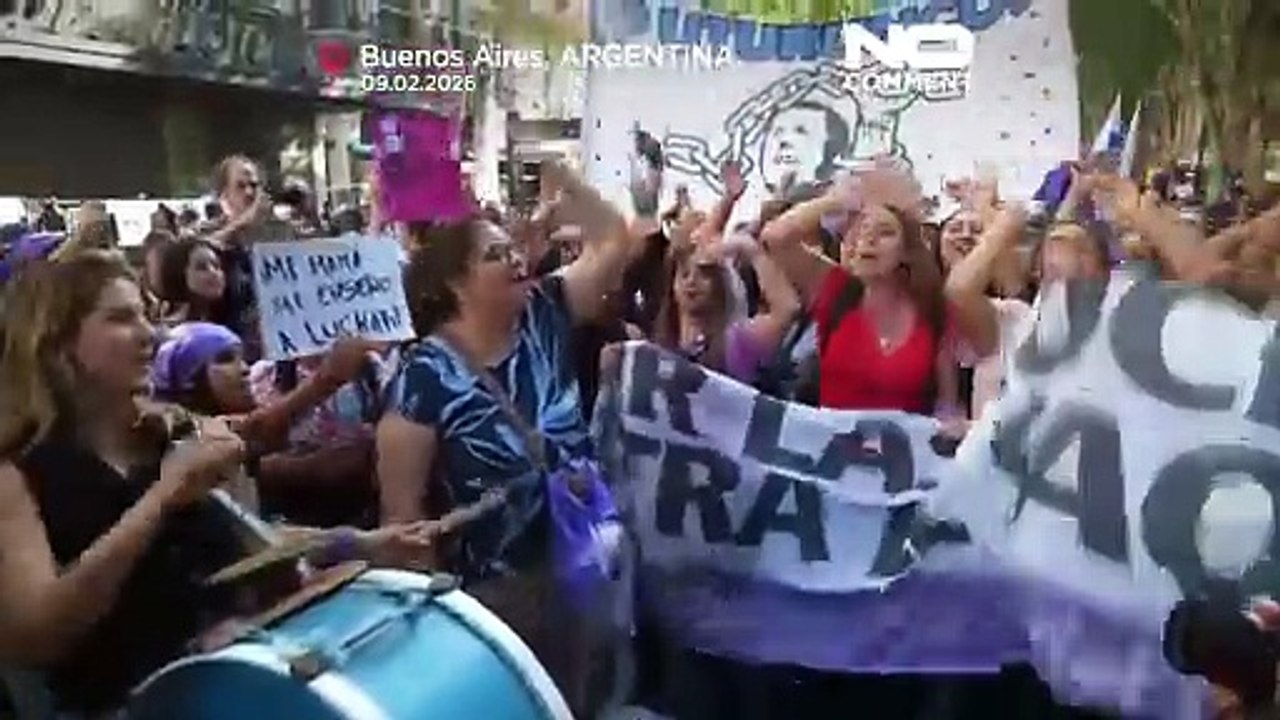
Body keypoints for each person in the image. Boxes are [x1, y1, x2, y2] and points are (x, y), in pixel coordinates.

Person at [0, 253, 433, 717]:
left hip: (234, 688)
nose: (150, 334)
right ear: (57, 343)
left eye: (146, 314)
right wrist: (163, 497)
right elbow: (35, 637)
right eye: (121, 319)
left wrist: (360, 543)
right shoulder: (16, 473)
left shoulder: (170, 430)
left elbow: (249, 538)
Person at [377, 162, 635, 717]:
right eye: (494, 254)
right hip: (499, 593)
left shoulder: (546, 310)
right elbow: (402, 521)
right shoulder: (422, 376)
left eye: (511, 249)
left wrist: (568, 181)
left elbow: (615, 236)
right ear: (453, 284)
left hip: (588, 555)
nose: (517, 260)